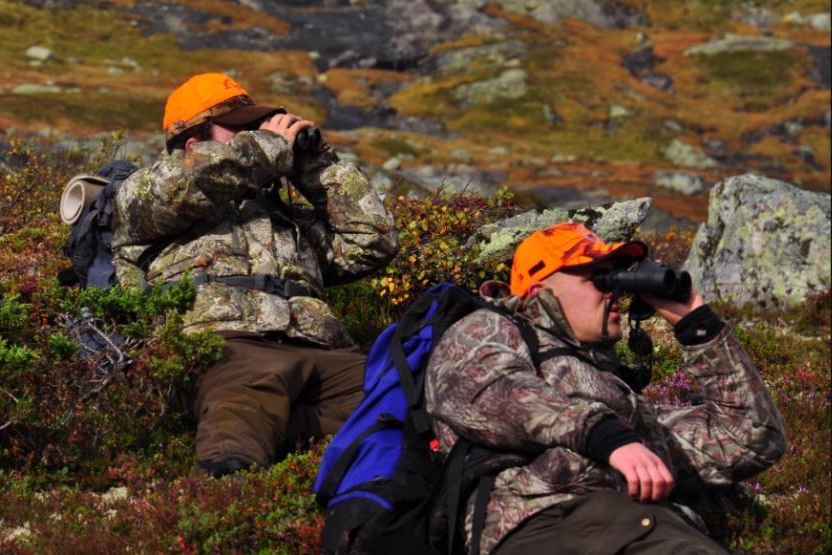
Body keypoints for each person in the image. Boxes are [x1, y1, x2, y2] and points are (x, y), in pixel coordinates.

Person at [425, 222, 786, 555]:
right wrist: (606, 437)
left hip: (648, 532)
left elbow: (748, 435)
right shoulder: (491, 328)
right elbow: (486, 390)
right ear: (538, 291)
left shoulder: (618, 401)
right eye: (599, 279)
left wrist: (696, 322)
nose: (615, 292)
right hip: (554, 527)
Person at [111, 72, 399, 477]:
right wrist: (267, 149)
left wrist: (314, 163)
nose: (259, 133)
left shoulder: (283, 218)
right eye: (242, 128)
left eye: (258, 126)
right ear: (194, 143)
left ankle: (289, 428)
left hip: (323, 352)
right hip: (225, 347)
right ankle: (223, 506)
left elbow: (374, 240)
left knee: (400, 396)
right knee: (239, 419)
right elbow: (184, 183)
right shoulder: (145, 197)